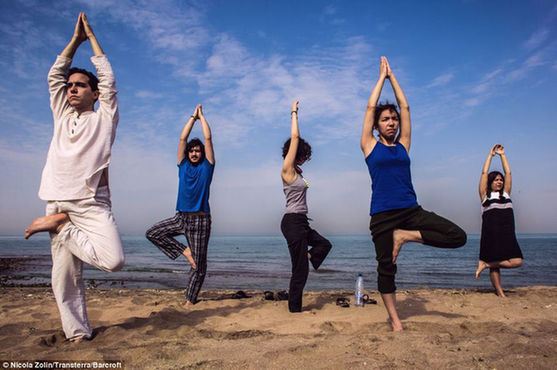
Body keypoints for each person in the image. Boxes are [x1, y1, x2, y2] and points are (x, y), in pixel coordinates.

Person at [24, 13, 124, 342]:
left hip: (90, 203)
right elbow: (54, 76)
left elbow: (108, 80)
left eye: (80, 85)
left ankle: (62, 226)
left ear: (94, 94)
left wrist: (91, 39)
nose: (71, 90)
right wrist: (72, 43)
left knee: (114, 260)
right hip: (56, 198)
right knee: (64, 276)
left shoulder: (104, 118)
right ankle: (78, 333)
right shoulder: (62, 114)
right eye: (70, 86)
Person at [360, 57, 467, 331]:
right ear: (376, 125)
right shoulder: (370, 146)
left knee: (458, 236)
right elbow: (370, 106)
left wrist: (393, 77)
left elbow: (406, 107)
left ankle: (405, 236)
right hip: (382, 216)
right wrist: (380, 79)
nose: (392, 123)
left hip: (411, 211)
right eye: (386, 120)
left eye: (394, 119)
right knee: (386, 270)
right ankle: (395, 321)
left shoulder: (403, 146)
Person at [146, 104, 214, 307]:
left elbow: (208, 139)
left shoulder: (207, 167)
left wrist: (202, 119)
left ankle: (189, 300)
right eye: (191, 151)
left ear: (202, 154)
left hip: (200, 221)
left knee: (199, 265)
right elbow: (182, 139)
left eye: (197, 151)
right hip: (181, 217)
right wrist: (193, 117)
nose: (194, 153)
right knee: (153, 233)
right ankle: (185, 251)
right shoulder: (183, 165)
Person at [281, 100, 332, 313]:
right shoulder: (287, 170)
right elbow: (295, 138)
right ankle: (295, 310)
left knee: (324, 244)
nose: (304, 159)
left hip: (301, 222)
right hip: (292, 222)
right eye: (303, 155)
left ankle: (307, 256)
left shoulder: (299, 174)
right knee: (300, 272)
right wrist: (294, 112)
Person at [475, 144, 523, 297]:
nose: (499, 182)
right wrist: (490, 156)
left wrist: (502, 155)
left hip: (508, 235)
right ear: (490, 182)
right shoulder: (485, 197)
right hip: (491, 235)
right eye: (496, 180)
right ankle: (500, 293)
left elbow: (508, 172)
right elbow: (484, 173)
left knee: (517, 261)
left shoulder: (507, 195)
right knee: (495, 267)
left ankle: (486, 263)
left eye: (501, 180)